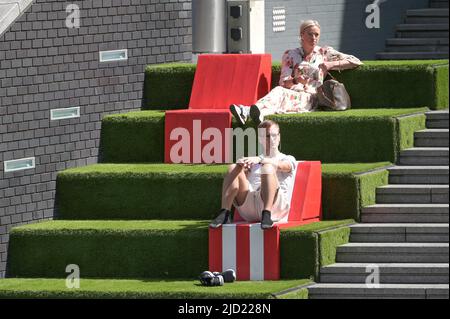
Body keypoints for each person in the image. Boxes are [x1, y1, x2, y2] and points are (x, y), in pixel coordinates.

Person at [230, 20, 363, 125]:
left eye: (316, 34)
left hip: (312, 97)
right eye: (310, 34)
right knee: (279, 91)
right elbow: (284, 82)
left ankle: (246, 111)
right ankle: (250, 112)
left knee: (279, 93)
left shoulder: (324, 52)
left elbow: (355, 61)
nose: (314, 38)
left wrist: (330, 64)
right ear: (301, 35)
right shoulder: (290, 55)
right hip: (292, 92)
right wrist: (296, 80)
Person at [209, 120, 296, 230]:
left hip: (275, 207)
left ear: (279, 137)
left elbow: (285, 166)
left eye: (274, 135)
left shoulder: (287, 158)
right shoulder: (253, 160)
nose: (272, 139)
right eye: (267, 136)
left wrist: (260, 160)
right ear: (260, 139)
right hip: (249, 207)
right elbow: (240, 182)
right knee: (233, 167)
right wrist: (241, 168)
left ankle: (266, 213)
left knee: (267, 167)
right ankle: (225, 212)